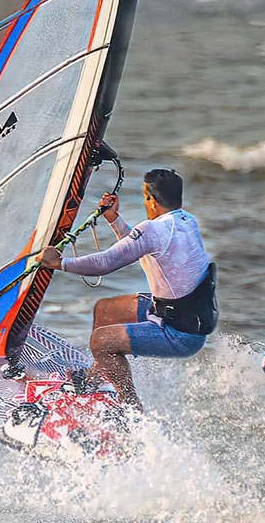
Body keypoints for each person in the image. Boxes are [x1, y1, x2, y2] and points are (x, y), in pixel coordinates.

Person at [40, 168, 216, 409]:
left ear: (150, 200)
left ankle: (130, 409)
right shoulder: (186, 221)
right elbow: (140, 248)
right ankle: (94, 383)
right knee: (105, 310)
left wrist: (59, 263)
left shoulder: (153, 229)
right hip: (183, 316)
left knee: (101, 342)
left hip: (180, 333)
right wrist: (114, 219)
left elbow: (106, 262)